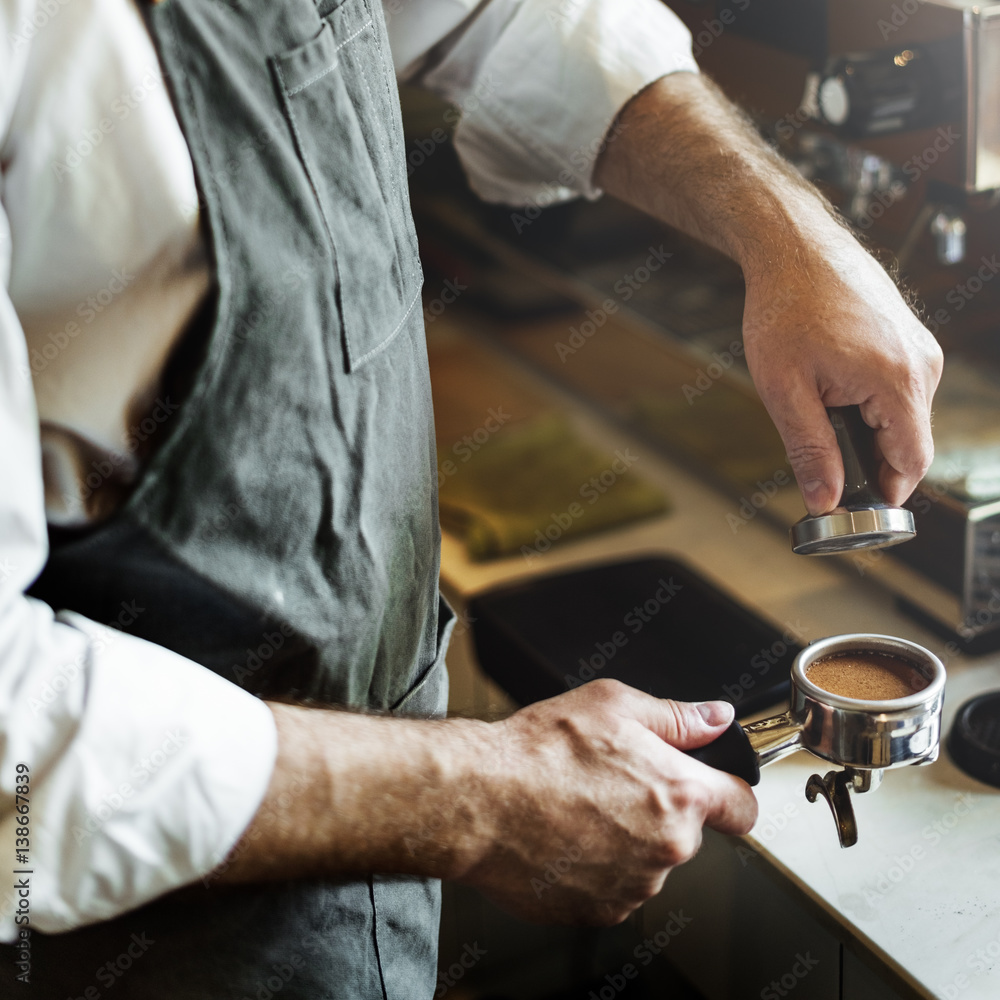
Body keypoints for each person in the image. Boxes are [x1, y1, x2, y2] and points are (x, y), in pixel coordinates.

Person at [0, 0, 941, 996]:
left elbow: (491, 13)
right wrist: (477, 798)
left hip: (370, 852)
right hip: (109, 915)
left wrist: (786, 230)